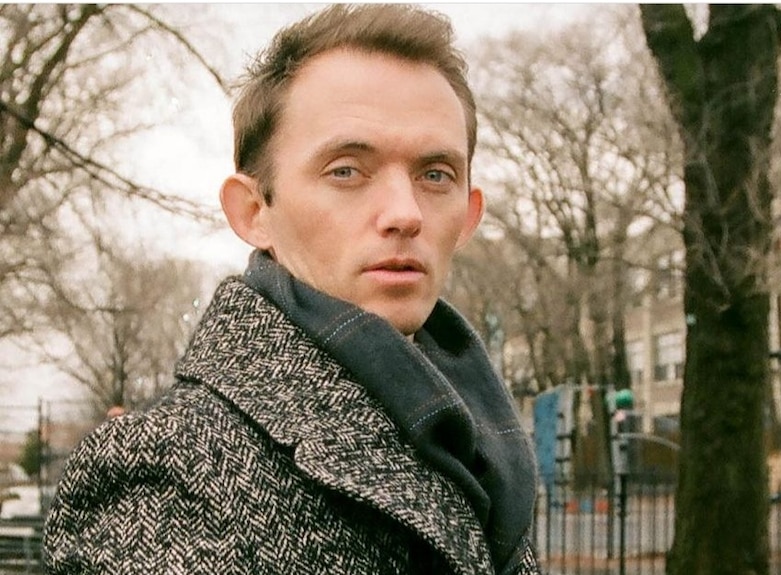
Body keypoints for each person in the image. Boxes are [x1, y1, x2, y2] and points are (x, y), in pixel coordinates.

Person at [43, 4, 539, 574]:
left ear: (468, 217)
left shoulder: (486, 452)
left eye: (435, 175)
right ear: (254, 211)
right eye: (347, 171)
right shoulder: (171, 467)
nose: (405, 214)